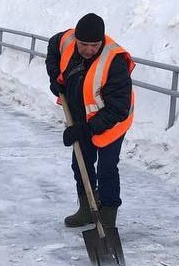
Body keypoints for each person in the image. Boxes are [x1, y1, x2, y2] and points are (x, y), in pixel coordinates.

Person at [46, 13, 135, 228]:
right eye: (83, 44)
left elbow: (118, 109)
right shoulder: (67, 41)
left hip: (112, 122)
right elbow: (53, 46)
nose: (87, 50)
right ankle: (87, 208)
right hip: (81, 115)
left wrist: (84, 130)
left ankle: (107, 215)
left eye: (93, 45)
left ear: (101, 41)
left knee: (107, 167)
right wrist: (55, 76)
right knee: (81, 163)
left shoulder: (114, 63)